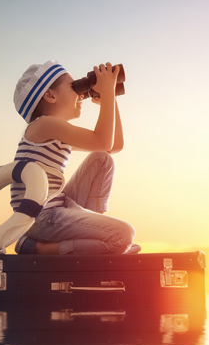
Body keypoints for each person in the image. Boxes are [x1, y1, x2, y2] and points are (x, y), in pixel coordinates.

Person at [11, 60, 139, 255]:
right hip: (40, 219)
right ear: (50, 95)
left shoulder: (54, 132)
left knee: (102, 159)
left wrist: (109, 98)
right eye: (75, 87)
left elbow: (112, 147)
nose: (81, 93)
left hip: (59, 208)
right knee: (124, 235)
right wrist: (106, 92)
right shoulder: (44, 125)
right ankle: (42, 249)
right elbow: (103, 141)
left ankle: (95, 239)